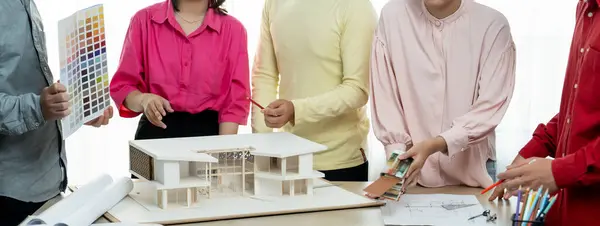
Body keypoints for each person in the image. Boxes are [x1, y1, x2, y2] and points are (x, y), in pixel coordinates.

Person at [370, 0, 516, 190]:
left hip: (472, 177)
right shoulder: (392, 16)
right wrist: (398, 163)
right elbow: (386, 99)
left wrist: (435, 144)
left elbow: (489, 108)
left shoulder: (493, 25)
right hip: (411, 173)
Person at [0, 0, 113, 225]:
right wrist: (39, 108)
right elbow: (35, 104)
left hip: (48, 183)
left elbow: (25, 86)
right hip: (9, 194)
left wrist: (77, 105)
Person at [489, 1, 600, 225]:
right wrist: (534, 150)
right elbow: (580, 107)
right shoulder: (586, 7)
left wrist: (559, 172)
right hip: (565, 210)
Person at [251, 0, 377, 181]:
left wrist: (296, 110)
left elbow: (357, 90)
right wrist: (262, 145)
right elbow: (264, 75)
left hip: (339, 161)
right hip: (286, 157)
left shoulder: (356, 6)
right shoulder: (274, 3)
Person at [110, 0, 250, 143]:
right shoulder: (142, 20)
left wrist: (223, 151)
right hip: (153, 136)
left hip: (210, 136)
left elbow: (234, 101)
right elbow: (124, 86)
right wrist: (143, 100)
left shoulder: (233, 30)